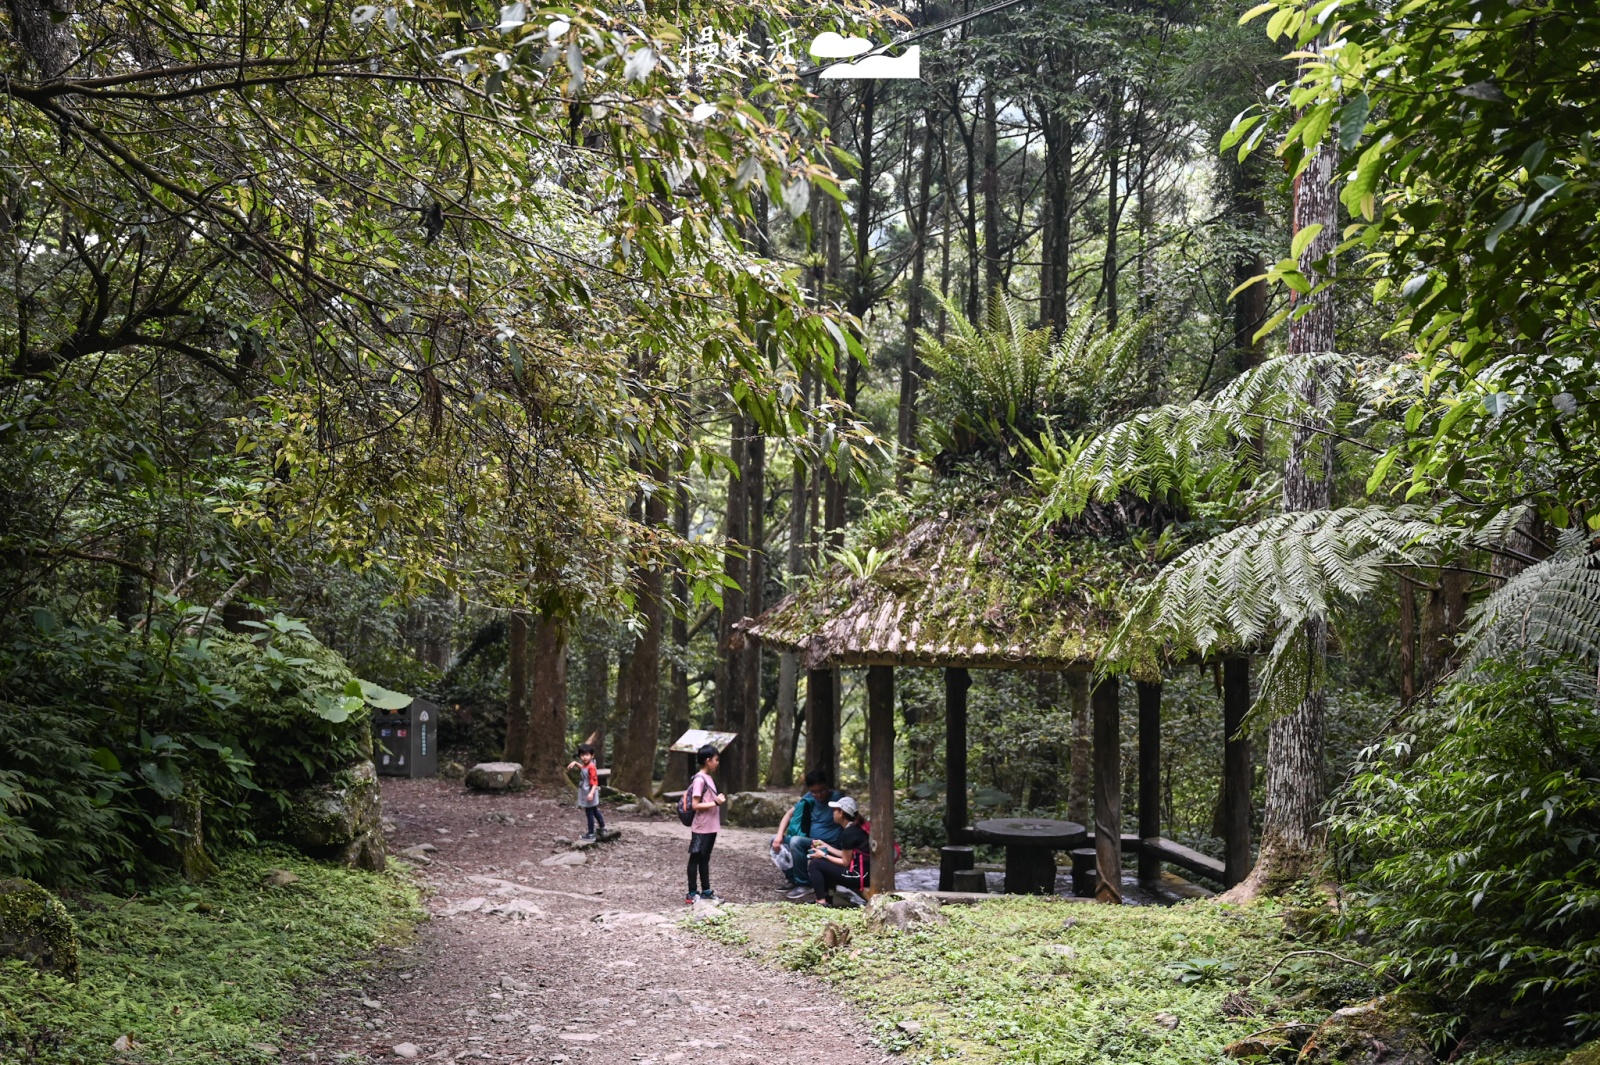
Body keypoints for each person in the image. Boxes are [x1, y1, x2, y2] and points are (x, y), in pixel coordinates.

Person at [770, 769, 845, 899]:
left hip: (829, 845)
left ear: (827, 786)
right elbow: (789, 814)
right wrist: (779, 835)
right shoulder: (809, 797)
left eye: (821, 791)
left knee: (796, 841)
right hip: (811, 842)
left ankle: (805, 884)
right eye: (814, 792)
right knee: (774, 841)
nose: (818, 795)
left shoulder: (837, 798)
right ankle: (793, 879)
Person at [806, 795, 869, 906]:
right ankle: (825, 898)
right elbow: (846, 855)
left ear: (841, 813)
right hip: (865, 874)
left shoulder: (849, 832)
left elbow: (845, 862)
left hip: (859, 876)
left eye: (835, 810)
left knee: (815, 864)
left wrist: (823, 856)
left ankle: (821, 901)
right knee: (823, 863)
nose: (832, 813)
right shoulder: (855, 828)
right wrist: (826, 846)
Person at [685, 744, 726, 904]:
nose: (717, 763)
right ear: (708, 760)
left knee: (705, 859)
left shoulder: (708, 778)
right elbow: (695, 805)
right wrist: (715, 803)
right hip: (701, 827)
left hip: (710, 827)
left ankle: (706, 891)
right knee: (695, 859)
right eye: (716, 760)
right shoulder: (699, 780)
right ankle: (691, 893)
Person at [565, 743, 605, 841]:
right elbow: (583, 769)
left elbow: (595, 782)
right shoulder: (586, 765)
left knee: (590, 813)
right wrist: (575, 763)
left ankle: (591, 833)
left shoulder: (591, 767)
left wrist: (591, 793)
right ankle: (602, 827)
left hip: (589, 793)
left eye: (587, 755)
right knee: (595, 810)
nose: (584, 757)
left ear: (592, 755)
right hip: (587, 793)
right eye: (582, 755)